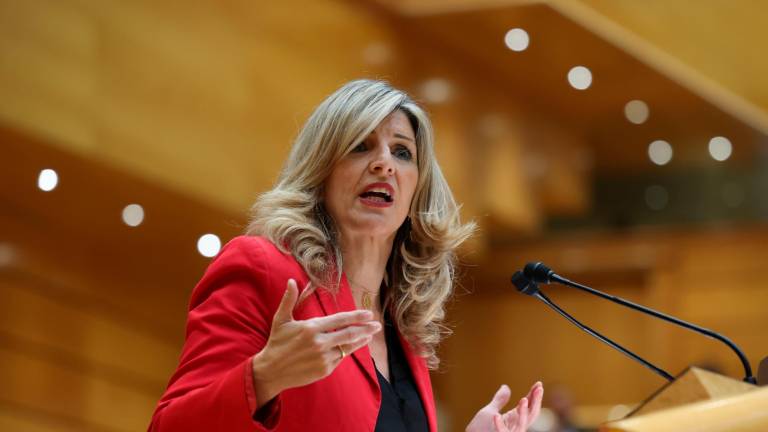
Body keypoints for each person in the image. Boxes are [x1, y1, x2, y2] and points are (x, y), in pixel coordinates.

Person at [149, 79, 543, 431]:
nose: (384, 163)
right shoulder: (263, 268)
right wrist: (264, 376)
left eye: (402, 152)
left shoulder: (402, 330)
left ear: (416, 189)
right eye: (360, 146)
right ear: (321, 171)